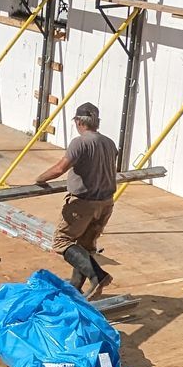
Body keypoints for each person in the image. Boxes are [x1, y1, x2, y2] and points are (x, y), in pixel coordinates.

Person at [34, 102, 118, 297]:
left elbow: (59, 168)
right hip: (105, 203)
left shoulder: (80, 142)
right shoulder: (109, 143)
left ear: (79, 121)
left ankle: (98, 276)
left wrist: (40, 179)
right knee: (85, 246)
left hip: (83, 203)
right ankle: (75, 286)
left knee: (62, 242)